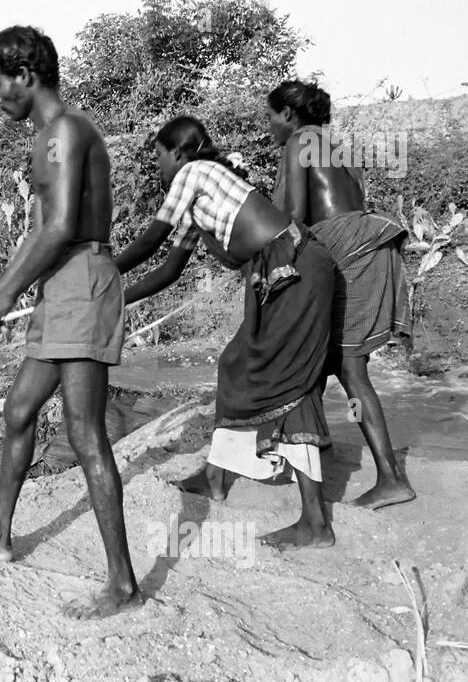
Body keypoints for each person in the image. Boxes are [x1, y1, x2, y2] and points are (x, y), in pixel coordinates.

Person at [0, 26, 139, 619]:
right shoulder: (48, 136)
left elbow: (58, 229)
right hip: (62, 286)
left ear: (26, 76)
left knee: (84, 434)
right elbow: (41, 233)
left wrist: (0, 301)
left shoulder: (65, 132)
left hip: (81, 283)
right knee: (20, 410)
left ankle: (123, 585)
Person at [114, 116, 338, 550]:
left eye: (159, 156)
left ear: (179, 152)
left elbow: (150, 239)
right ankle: (217, 475)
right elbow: (169, 268)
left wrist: (99, 275)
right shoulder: (203, 199)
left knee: (286, 379)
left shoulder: (194, 172)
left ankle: (315, 522)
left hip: (295, 269)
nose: (159, 167)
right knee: (236, 366)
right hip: (279, 274)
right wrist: (117, 297)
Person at [268, 80, 415, 509]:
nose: (272, 127)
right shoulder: (334, 146)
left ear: (289, 115)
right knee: (328, 360)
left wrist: (272, 268)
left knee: (348, 369)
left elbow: (293, 218)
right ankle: (317, 446)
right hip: (370, 244)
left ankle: (389, 478)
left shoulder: (298, 142)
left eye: (272, 117)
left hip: (347, 252)